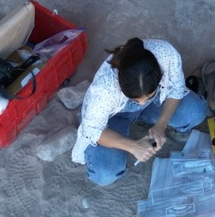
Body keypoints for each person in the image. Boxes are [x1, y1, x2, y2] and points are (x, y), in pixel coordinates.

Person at [71, 38, 207, 187]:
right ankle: (104, 121)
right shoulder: (104, 90)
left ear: (159, 76)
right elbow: (93, 132)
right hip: (114, 117)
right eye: (135, 100)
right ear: (121, 85)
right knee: (105, 174)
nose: (142, 103)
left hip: (154, 104)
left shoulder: (167, 55)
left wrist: (161, 124)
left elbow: (176, 89)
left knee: (196, 112)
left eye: (148, 96)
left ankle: (153, 112)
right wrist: (133, 146)